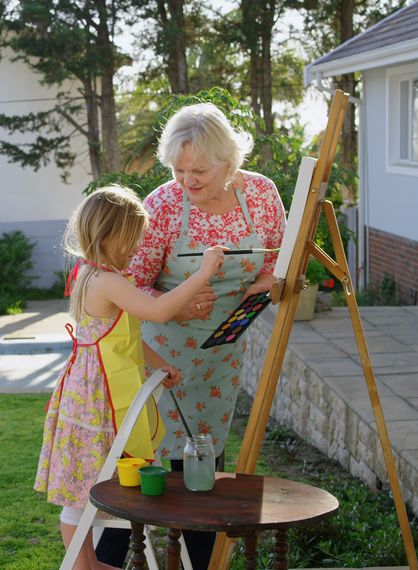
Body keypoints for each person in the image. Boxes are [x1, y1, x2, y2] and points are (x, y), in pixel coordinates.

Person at [97, 103, 286, 569]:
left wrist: (265, 289)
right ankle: (114, 556)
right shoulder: (162, 206)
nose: (187, 180)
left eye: (199, 170)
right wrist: (180, 299)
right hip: (165, 354)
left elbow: (275, 264)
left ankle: (201, 559)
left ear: (229, 161)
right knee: (149, 465)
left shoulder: (260, 195)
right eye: (178, 170)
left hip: (222, 353)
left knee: (206, 464)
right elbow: (131, 286)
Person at [34, 185, 228, 570]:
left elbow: (123, 337)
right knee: (82, 489)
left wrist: (157, 362)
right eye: (132, 239)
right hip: (96, 397)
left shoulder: (95, 274)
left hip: (95, 388)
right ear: (108, 235)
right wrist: (203, 272)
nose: (137, 247)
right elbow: (157, 312)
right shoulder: (105, 281)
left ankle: (87, 563)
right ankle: (81, 564)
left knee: (88, 483)